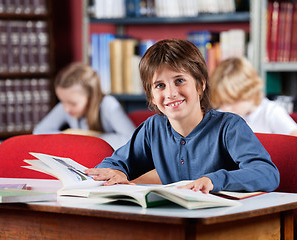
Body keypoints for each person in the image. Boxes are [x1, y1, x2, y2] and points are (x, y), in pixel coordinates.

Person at [86, 39, 280, 194]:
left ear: (200, 84)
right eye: (160, 85)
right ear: (151, 95)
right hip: (174, 221)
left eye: (179, 81)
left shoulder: (229, 126)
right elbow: (114, 163)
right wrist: (117, 172)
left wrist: (213, 180)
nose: (170, 93)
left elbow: (267, 174)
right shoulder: (153, 128)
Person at [33, 62, 136, 150]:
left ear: (90, 98)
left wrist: (86, 139)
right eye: (62, 101)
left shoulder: (108, 104)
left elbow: (132, 140)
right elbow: (39, 132)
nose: (66, 108)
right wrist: (70, 138)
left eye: (73, 103)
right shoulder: (67, 105)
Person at [209, 57, 297, 142]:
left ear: (249, 93)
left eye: (231, 101)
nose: (225, 108)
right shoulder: (221, 115)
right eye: (221, 102)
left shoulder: (270, 113)